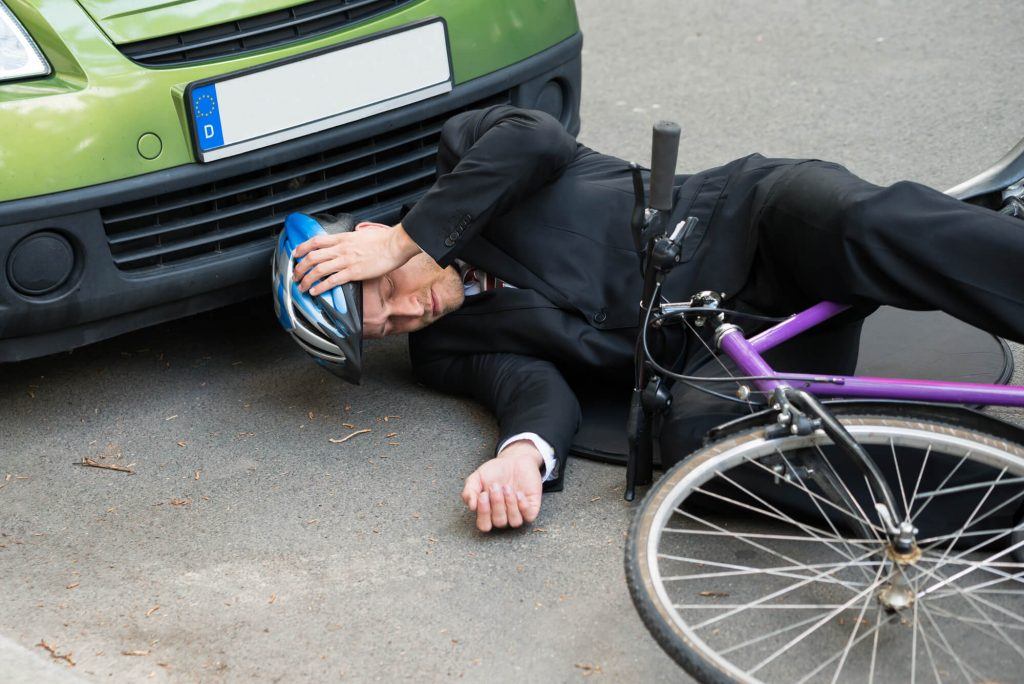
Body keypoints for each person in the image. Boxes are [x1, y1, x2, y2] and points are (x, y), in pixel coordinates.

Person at [287, 105, 1024, 533]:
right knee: (691, 446)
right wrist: (522, 458)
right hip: (726, 346)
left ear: (360, 243)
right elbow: (531, 391)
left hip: (754, 222)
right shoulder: (446, 348)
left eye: (380, 296)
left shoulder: (467, 158)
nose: (403, 316)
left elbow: (538, 139)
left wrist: (409, 236)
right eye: (381, 333)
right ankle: (996, 506)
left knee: (863, 223)